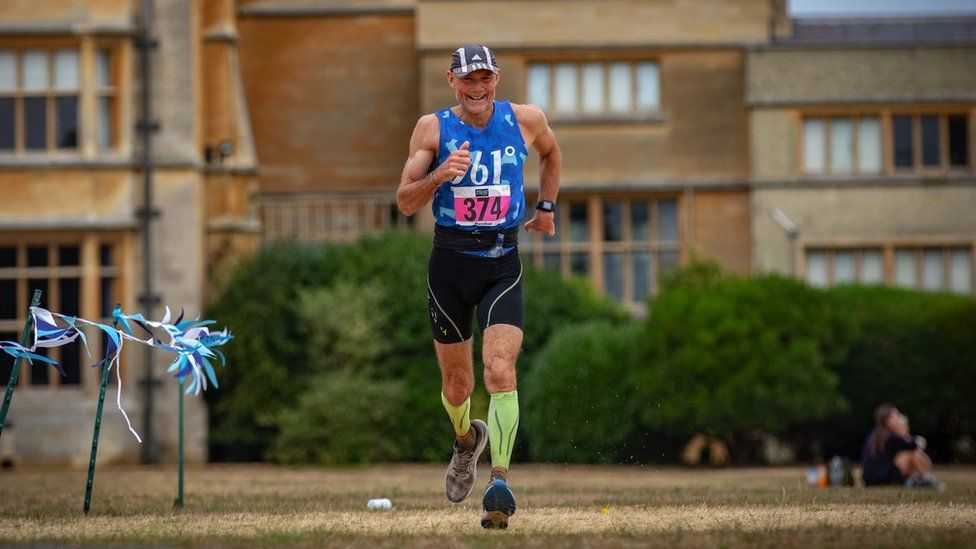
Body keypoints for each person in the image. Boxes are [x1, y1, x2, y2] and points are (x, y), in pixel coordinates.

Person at [396, 43, 561, 529]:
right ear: (451, 81)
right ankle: (467, 442)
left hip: (501, 264)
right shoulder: (432, 128)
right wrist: (440, 175)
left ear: (497, 79)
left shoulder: (526, 119)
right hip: (448, 266)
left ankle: (501, 482)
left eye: (484, 77)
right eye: (467, 79)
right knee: (457, 384)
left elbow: (552, 154)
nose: (476, 87)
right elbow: (405, 202)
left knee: (500, 369)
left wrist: (546, 208)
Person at [860, 404, 944, 489]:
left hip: (869, 479)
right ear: (888, 420)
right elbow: (913, 446)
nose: (898, 419)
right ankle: (925, 480)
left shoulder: (874, 434)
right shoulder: (891, 436)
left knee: (906, 454)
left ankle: (916, 479)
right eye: (896, 415)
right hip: (883, 478)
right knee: (911, 454)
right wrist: (904, 434)